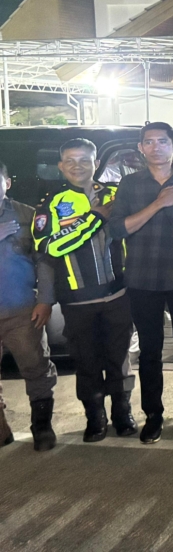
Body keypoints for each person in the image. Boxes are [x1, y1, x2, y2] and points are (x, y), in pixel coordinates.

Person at [108, 122, 173, 444]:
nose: (156, 147)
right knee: (150, 351)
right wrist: (158, 203)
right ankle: (153, 415)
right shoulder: (129, 185)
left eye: (163, 141)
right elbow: (118, 229)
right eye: (149, 142)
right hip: (142, 280)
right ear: (141, 148)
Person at [33, 138, 137, 442]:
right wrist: (94, 218)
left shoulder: (117, 195)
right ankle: (95, 417)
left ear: (96, 164)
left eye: (84, 160)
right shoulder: (51, 204)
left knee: (120, 359)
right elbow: (50, 249)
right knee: (87, 362)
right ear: (60, 166)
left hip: (118, 295)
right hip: (77, 301)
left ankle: (122, 413)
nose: (77, 166)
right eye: (70, 160)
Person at [0, 160, 58, 451]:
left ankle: (42, 426)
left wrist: (45, 300)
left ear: (7, 183)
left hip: (21, 311)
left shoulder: (28, 215)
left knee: (36, 368)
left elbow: (45, 260)